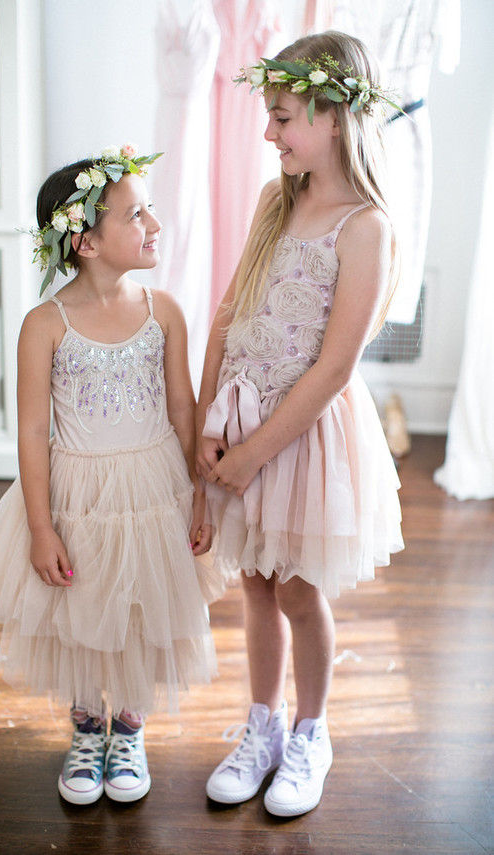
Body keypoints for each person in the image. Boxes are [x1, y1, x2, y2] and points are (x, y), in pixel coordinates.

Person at [0, 144, 221, 807]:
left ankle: (129, 727)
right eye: (136, 215)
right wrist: (41, 524)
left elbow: (182, 406)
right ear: (83, 240)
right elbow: (31, 430)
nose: (154, 226)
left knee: (140, 607)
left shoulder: (163, 311)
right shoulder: (43, 325)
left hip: (152, 488)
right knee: (81, 606)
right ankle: (86, 727)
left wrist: (199, 495)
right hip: (77, 492)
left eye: (151, 210)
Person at [196, 31, 404, 818]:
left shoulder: (365, 227)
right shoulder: (272, 201)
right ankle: (262, 727)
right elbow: (227, 316)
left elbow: (333, 370)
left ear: (334, 115)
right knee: (254, 580)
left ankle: (311, 729)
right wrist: (208, 425)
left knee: (296, 588)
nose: (268, 133)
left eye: (281, 117)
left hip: (300, 437)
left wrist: (252, 453)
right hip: (242, 422)